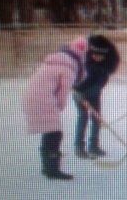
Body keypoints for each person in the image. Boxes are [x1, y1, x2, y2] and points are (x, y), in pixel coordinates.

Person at [24, 37, 89, 180]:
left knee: (50, 132)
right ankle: (52, 170)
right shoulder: (69, 67)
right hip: (44, 99)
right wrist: (60, 105)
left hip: (32, 97)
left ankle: (48, 167)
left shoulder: (58, 60)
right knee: (55, 134)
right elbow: (63, 92)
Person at [73, 35, 120, 159]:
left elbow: (100, 80)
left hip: (94, 93)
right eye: (94, 54)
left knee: (96, 118)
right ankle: (79, 147)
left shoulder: (106, 65)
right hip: (80, 93)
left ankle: (93, 146)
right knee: (83, 118)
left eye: (99, 55)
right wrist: (77, 91)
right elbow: (77, 80)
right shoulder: (85, 64)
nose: (96, 57)